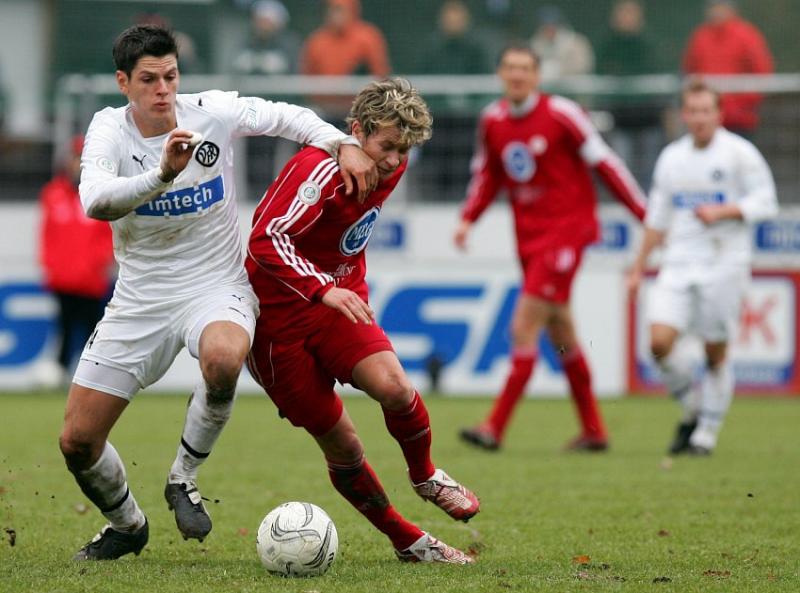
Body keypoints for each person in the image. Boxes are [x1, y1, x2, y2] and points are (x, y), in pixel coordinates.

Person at [58, 24, 377, 561]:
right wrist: (161, 175)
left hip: (216, 284)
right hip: (140, 297)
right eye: (149, 80)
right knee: (78, 443)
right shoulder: (109, 130)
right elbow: (95, 200)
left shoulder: (212, 111)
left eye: (171, 76)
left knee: (226, 357)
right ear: (123, 82)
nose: (164, 90)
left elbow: (285, 116)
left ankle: (183, 478)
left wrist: (340, 142)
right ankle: (128, 525)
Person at [246, 78, 478, 565]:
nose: (394, 160)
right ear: (357, 131)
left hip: (340, 302)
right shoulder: (319, 171)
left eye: (404, 148)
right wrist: (322, 286)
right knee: (345, 445)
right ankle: (408, 540)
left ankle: (425, 474)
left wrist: (336, 287)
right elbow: (265, 238)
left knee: (395, 387)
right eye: (386, 146)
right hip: (277, 325)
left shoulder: (389, 163)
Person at [455, 44, 647, 452]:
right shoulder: (492, 120)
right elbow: (487, 175)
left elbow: (605, 164)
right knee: (562, 332)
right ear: (501, 74)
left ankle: (494, 426)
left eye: (525, 69)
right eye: (510, 68)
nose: (517, 76)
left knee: (523, 326)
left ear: (538, 76)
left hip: (567, 233)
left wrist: (643, 213)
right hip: (528, 237)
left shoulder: (563, 115)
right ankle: (594, 430)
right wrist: (469, 218)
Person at [627, 79, 778, 455]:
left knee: (714, 351)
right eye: (691, 111)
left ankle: (706, 435)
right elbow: (656, 218)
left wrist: (725, 211)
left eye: (705, 111)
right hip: (678, 262)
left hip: (725, 262)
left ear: (719, 114)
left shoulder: (740, 154)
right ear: (683, 114)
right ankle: (692, 409)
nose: (698, 118)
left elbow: (766, 202)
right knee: (658, 344)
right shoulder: (672, 158)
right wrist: (637, 268)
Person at [38, 135, 114, 383]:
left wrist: (98, 263)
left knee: (94, 330)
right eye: (75, 158)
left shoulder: (100, 194)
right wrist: (50, 266)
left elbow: (109, 236)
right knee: (65, 327)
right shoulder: (53, 194)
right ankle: (62, 374)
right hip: (63, 278)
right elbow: (47, 235)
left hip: (91, 279)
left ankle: (94, 378)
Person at [682, 0, 773, 137]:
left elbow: (762, 71)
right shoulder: (701, 36)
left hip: (739, 121)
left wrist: (742, 106)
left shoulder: (746, 35)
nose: (716, 11)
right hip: (706, 120)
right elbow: (689, 70)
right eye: (713, 6)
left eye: (720, 6)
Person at [300, 0, 390, 78]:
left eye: (341, 10)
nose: (337, 15)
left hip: (362, 96)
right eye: (333, 10)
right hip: (326, 97)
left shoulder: (368, 37)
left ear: (352, 10)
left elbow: (380, 71)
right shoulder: (317, 41)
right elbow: (308, 76)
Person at [414, 1, 491, 75]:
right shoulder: (430, 49)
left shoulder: (476, 51)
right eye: (449, 17)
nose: (453, 20)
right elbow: (421, 79)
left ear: (466, 18)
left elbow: (483, 80)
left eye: (457, 16)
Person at [232, 0, 301, 76]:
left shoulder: (289, 44)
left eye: (267, 22)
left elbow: (294, 71)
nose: (263, 26)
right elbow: (236, 66)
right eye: (259, 21)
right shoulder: (247, 42)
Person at [530, 6, 594, 82]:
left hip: (573, 85)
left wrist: (559, 70)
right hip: (545, 84)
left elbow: (585, 65)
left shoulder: (576, 42)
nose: (549, 29)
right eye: (546, 26)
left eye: (552, 25)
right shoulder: (535, 44)